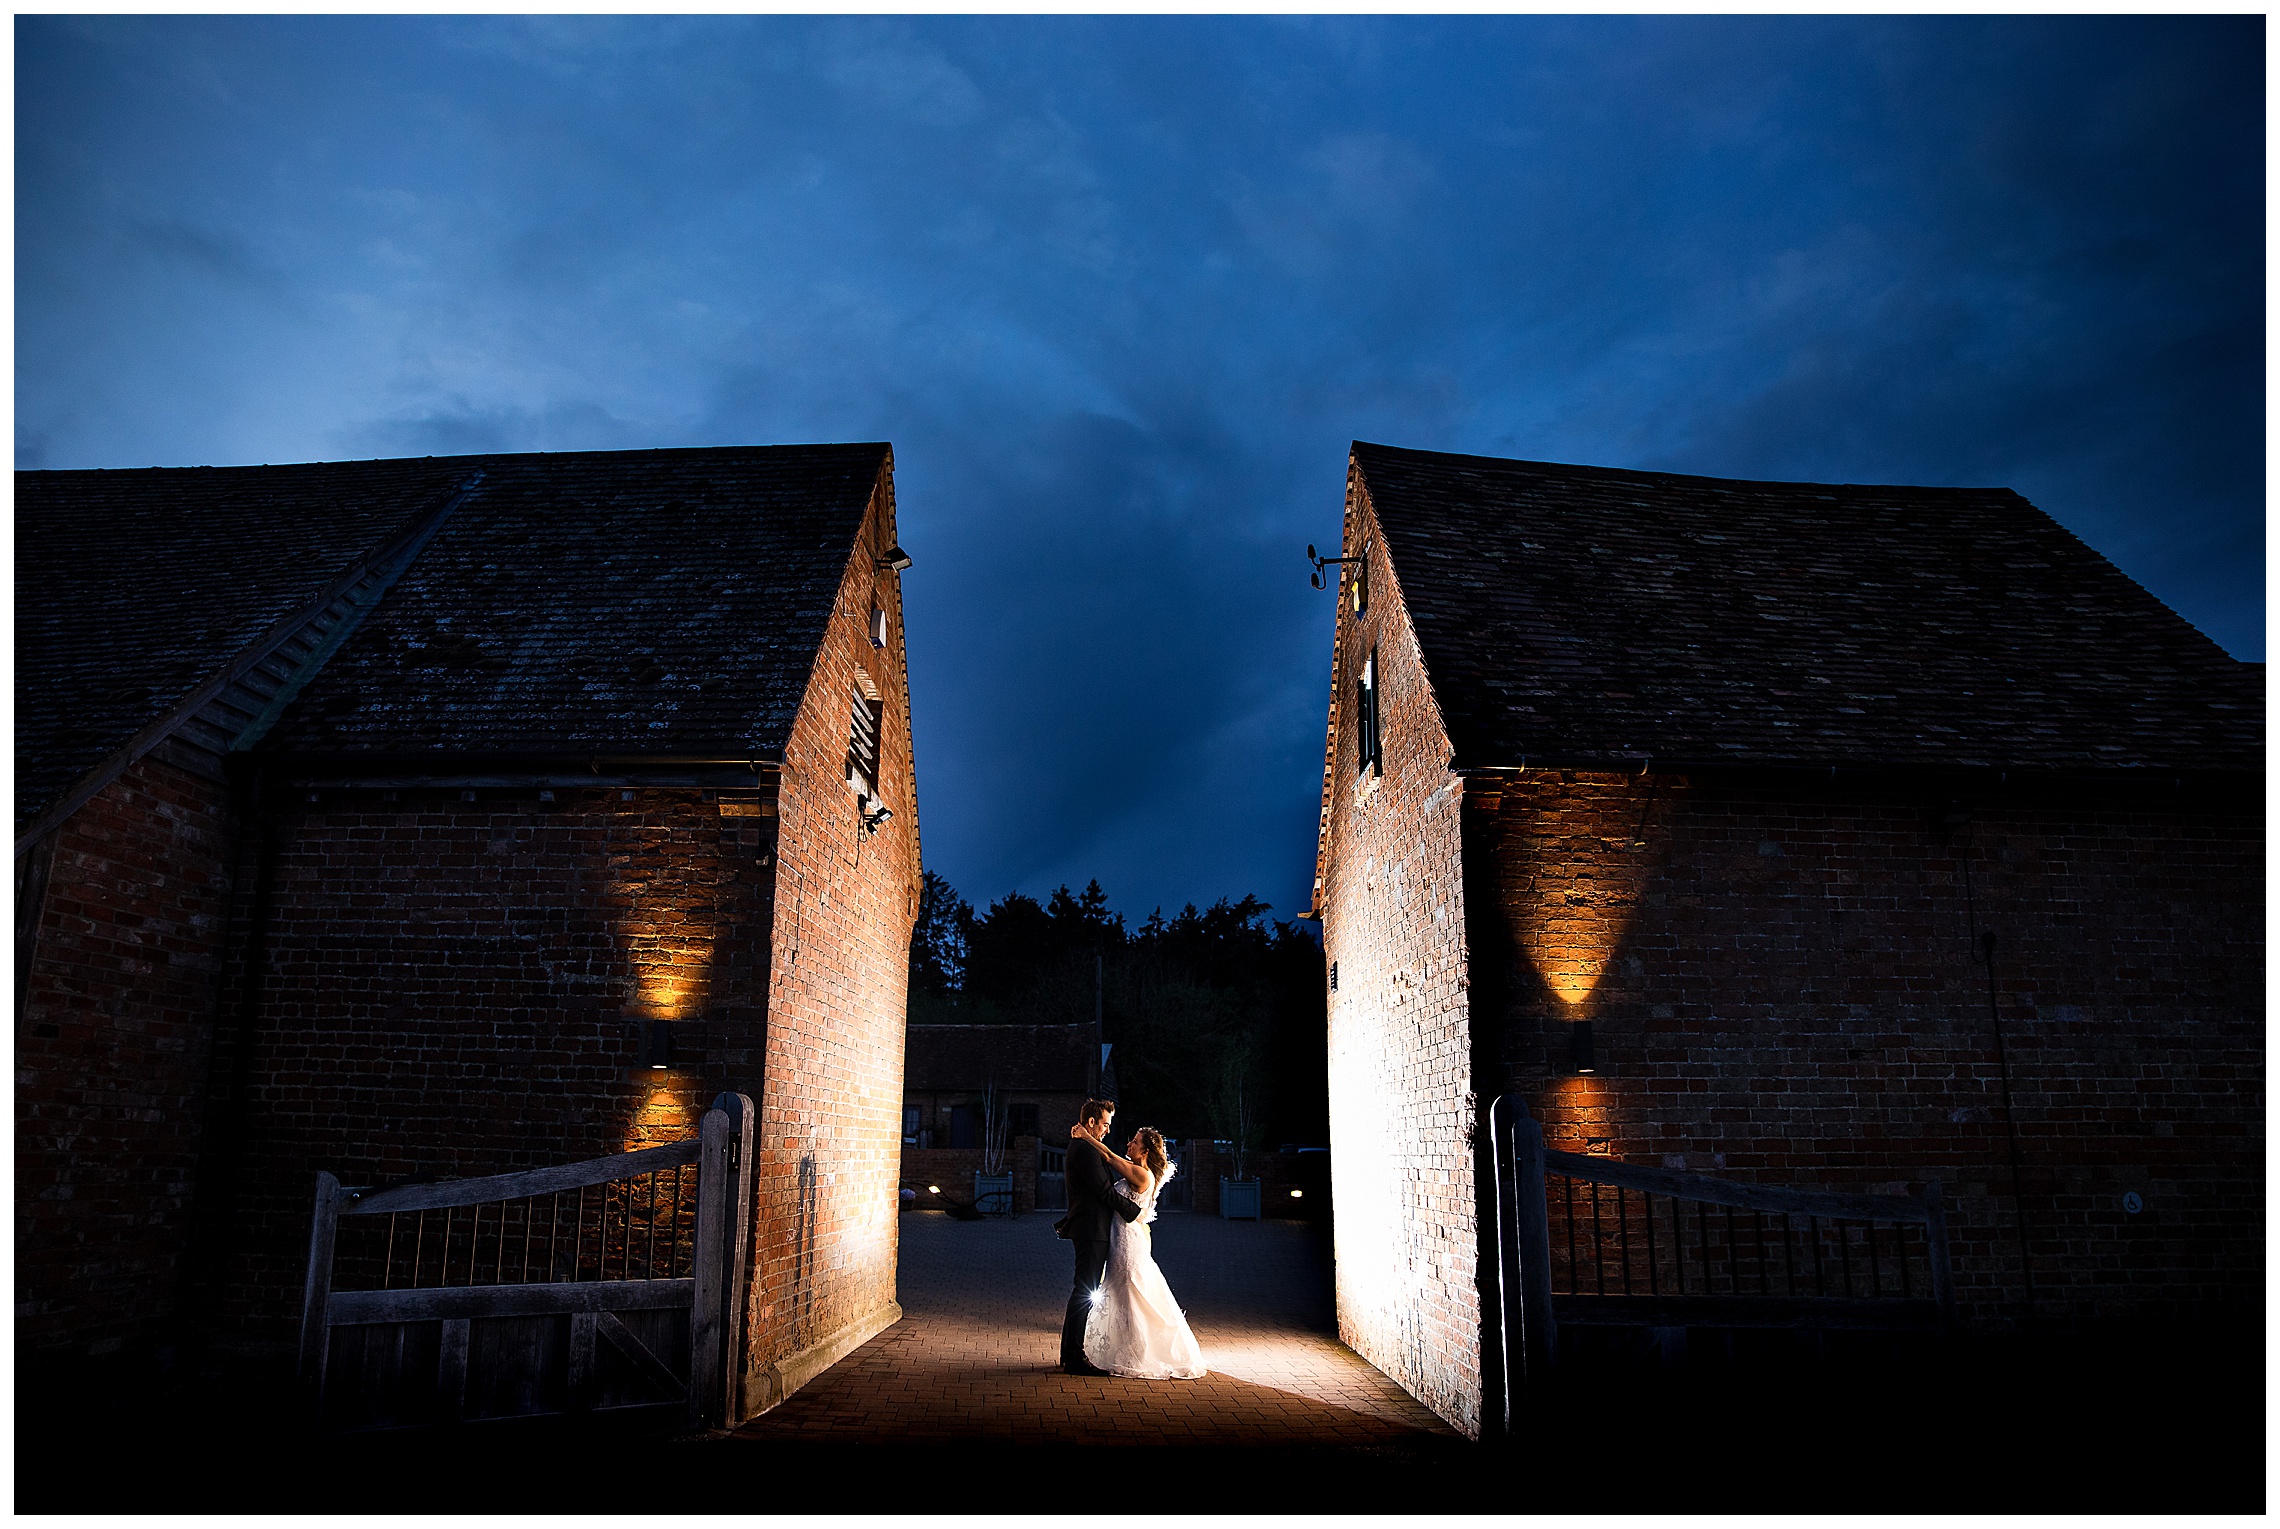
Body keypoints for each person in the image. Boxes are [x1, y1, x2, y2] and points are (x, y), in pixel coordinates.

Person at [1068, 1121, 1207, 1380]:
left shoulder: (1142, 1175)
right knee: (1122, 1294)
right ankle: (1122, 1348)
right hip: (1120, 1239)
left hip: (1127, 1244)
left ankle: (1137, 1353)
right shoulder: (1136, 1170)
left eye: (1135, 1141)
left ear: (1144, 1151)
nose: (1129, 1143)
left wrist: (1086, 1136)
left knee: (1131, 1293)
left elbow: (1108, 1156)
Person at [1059, 1098, 1145, 1376]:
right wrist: (1136, 1211)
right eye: (1105, 1124)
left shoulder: (1085, 1146)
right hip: (1090, 1229)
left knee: (1084, 1290)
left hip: (1091, 1228)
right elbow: (1104, 1192)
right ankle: (1074, 1357)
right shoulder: (1083, 1149)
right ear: (1092, 1121)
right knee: (1084, 1290)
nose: (1107, 1130)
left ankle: (1069, 1354)